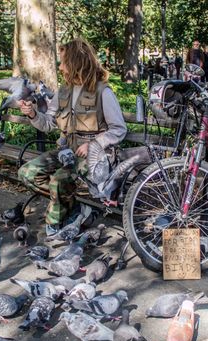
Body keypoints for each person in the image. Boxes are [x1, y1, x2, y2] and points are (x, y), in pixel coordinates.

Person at [18, 38, 128, 237]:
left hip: (95, 157)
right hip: (66, 151)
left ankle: (55, 222)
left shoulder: (103, 91)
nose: (60, 67)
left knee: (59, 180)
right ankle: (75, 209)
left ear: (76, 62)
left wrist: (93, 144)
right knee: (27, 173)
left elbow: (119, 129)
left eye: (63, 62)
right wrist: (32, 114)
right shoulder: (63, 91)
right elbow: (49, 123)